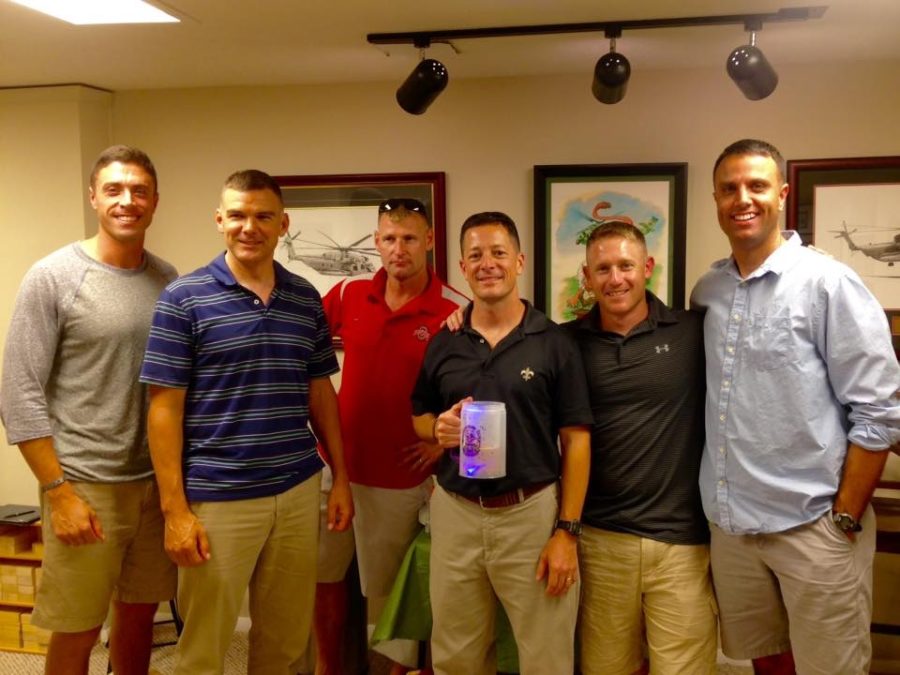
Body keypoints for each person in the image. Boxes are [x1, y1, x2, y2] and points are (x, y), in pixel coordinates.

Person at [691, 138, 900, 674]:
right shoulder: (708, 290)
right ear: (715, 199)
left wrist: (846, 516)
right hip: (734, 531)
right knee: (765, 663)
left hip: (814, 529)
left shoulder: (828, 283)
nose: (743, 198)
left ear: (781, 194)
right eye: (729, 188)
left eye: (757, 186)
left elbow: (879, 412)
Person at [139, 169, 353, 675]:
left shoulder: (304, 298)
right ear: (219, 220)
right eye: (237, 215)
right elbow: (162, 409)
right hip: (218, 497)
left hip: (298, 490)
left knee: (285, 642)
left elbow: (320, 392)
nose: (248, 227)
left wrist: (340, 476)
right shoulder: (183, 299)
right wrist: (175, 512)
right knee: (204, 649)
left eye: (262, 216)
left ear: (283, 223)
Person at [0, 145, 177, 675]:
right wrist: (59, 493)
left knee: (139, 618)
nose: (128, 201)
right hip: (84, 485)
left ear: (155, 201)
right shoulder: (53, 276)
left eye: (139, 190)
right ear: (94, 197)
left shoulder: (169, 281)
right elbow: (18, 390)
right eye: (115, 190)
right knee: (77, 627)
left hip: (153, 484)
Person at [411, 211, 593, 675]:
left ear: (519, 261)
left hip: (529, 515)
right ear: (462, 266)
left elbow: (575, 442)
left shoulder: (553, 342)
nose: (487, 264)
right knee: (456, 653)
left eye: (498, 253)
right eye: (475, 255)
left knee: (546, 655)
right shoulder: (444, 341)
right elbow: (419, 416)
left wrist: (567, 532)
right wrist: (438, 430)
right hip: (456, 512)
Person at [317, 197, 466, 674]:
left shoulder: (454, 311)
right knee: (324, 581)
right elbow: (303, 354)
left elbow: (473, 394)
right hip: (335, 465)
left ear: (428, 241)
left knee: (391, 597)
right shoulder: (347, 293)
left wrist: (438, 442)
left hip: (400, 477)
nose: (397, 249)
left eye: (408, 239)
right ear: (376, 242)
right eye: (387, 238)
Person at [567, 221, 716, 675]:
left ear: (647, 267)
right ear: (587, 276)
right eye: (603, 268)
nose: (616, 279)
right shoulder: (565, 343)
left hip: (682, 545)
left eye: (626, 266)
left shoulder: (695, 332)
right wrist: (461, 317)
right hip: (600, 542)